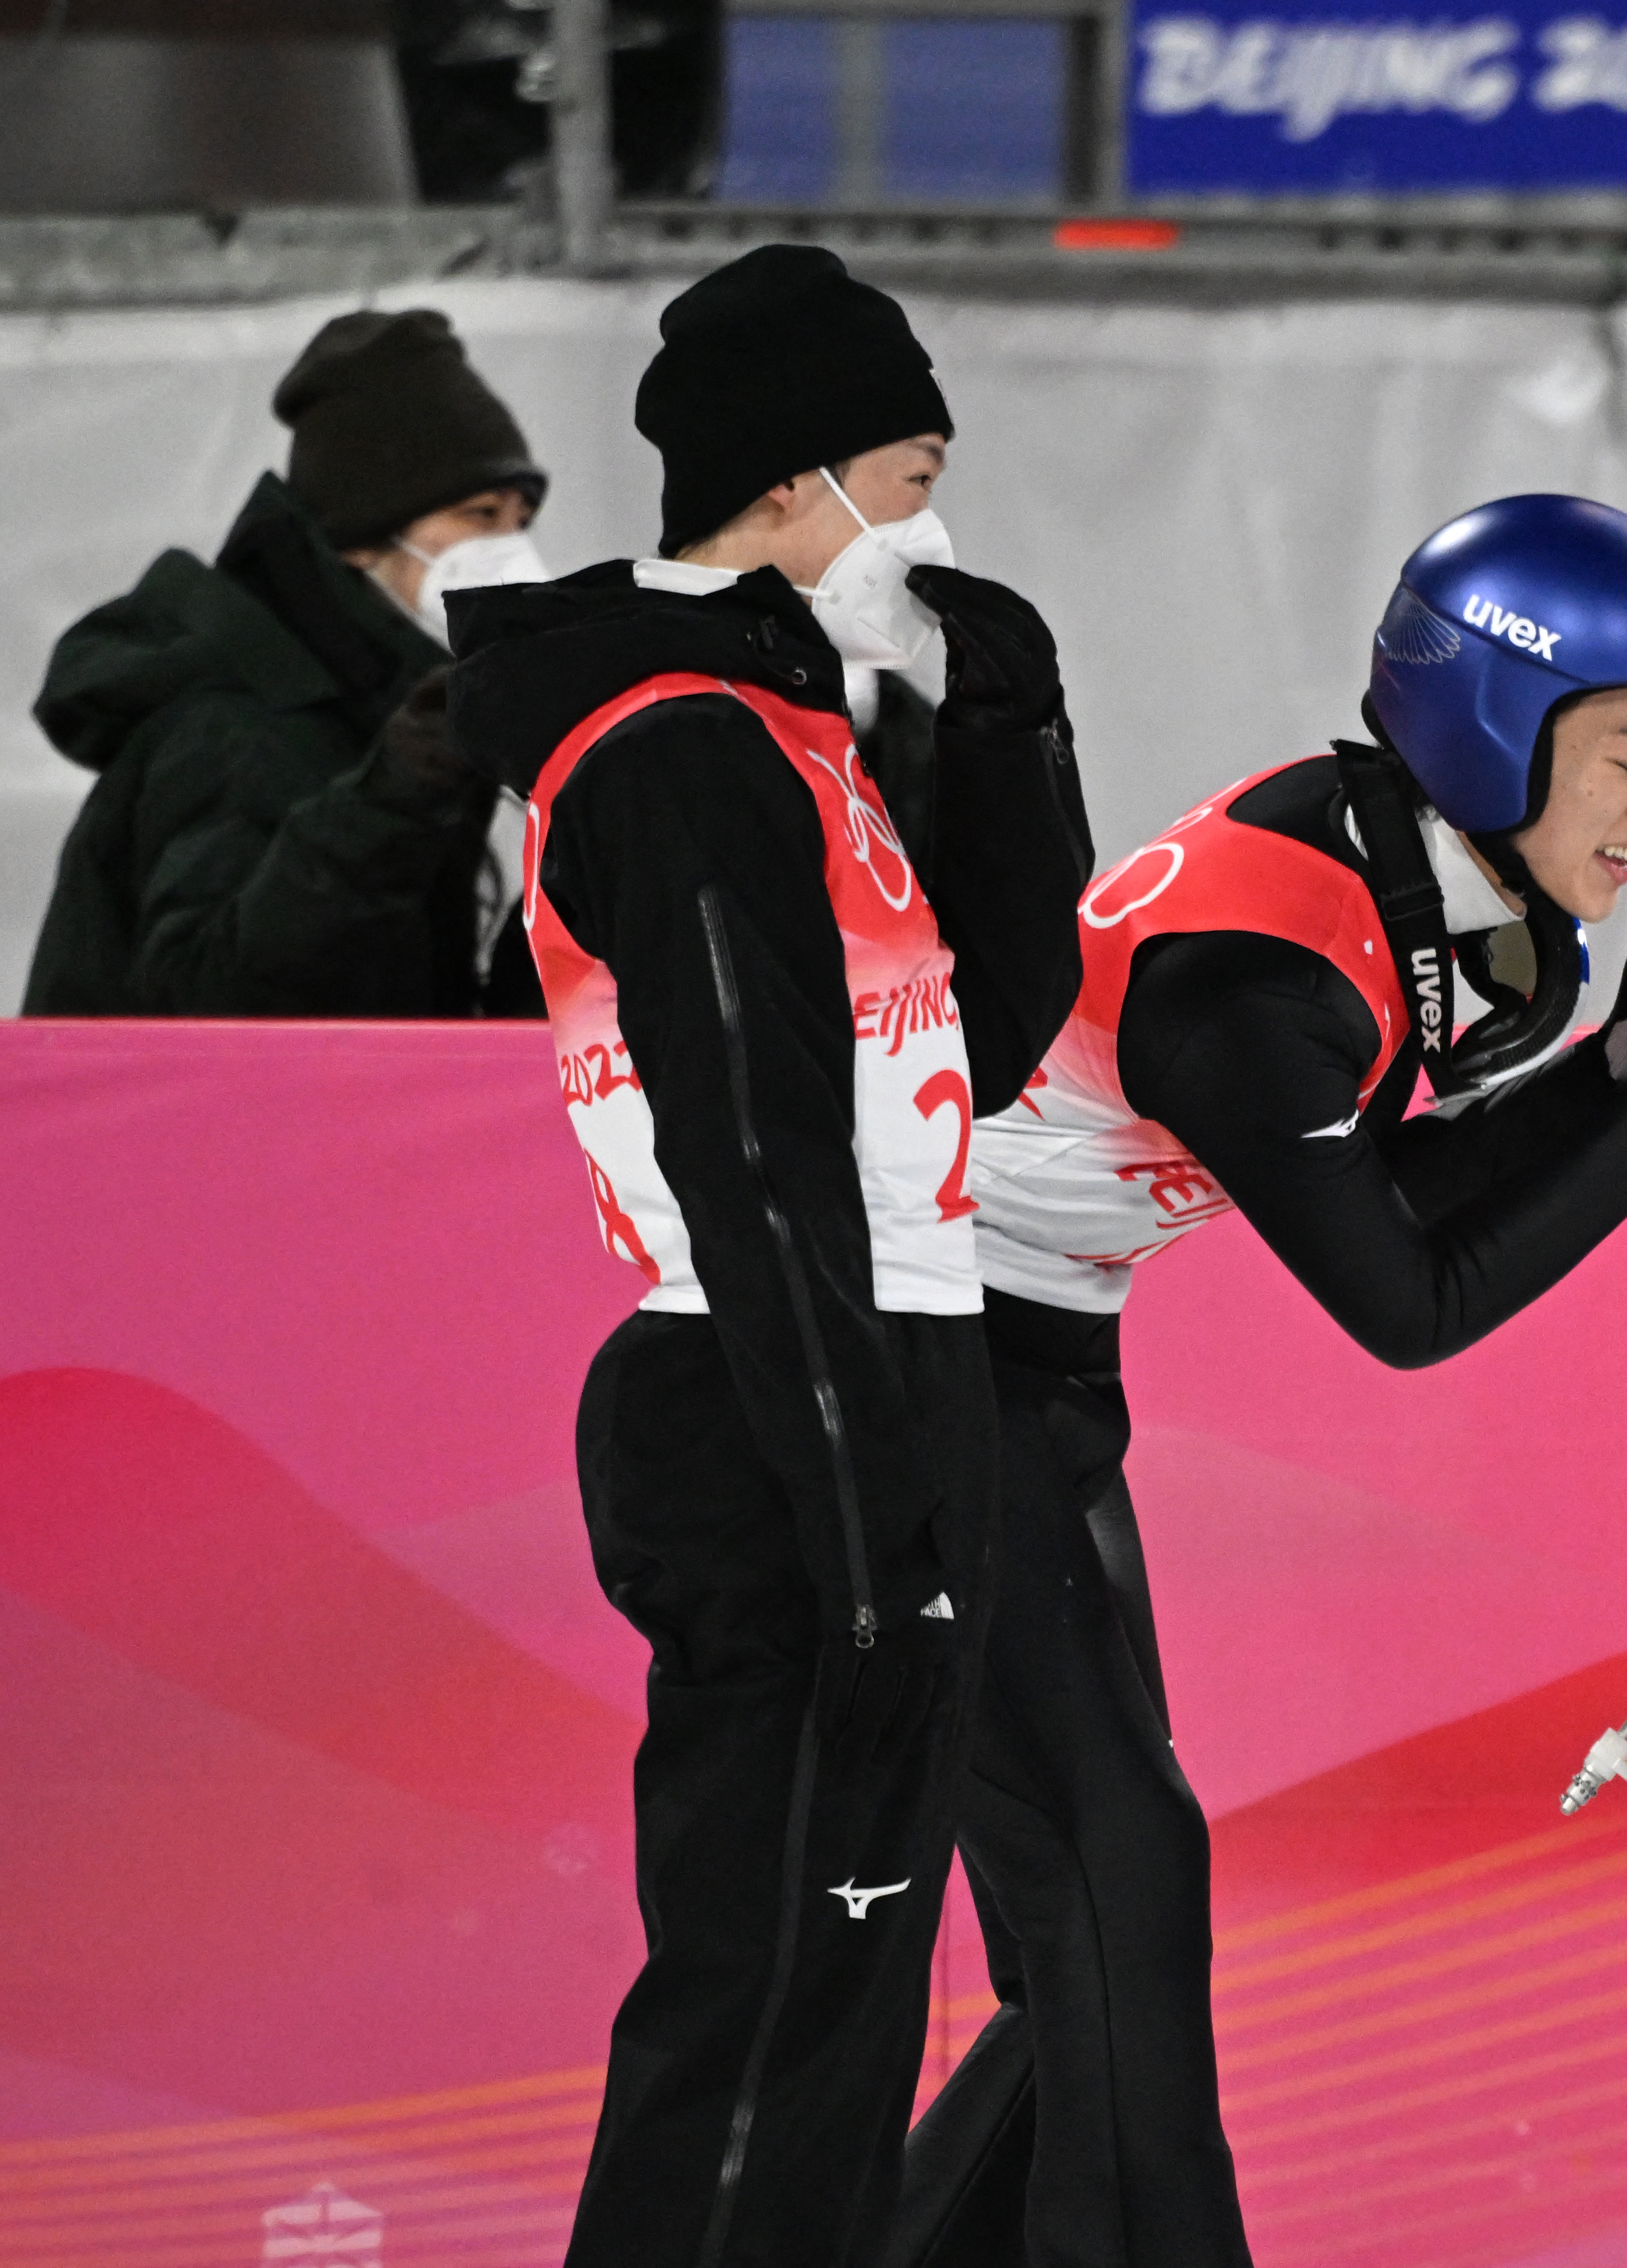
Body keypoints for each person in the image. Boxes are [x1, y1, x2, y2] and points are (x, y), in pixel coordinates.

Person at [885, 494, 1627, 2268]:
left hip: (1031, 1358)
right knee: (1115, 1870)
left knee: (1095, 1905)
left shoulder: (1431, 883)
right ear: (1491, 725)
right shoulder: (1259, 968)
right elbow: (1411, 1295)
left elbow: (1420, 1179)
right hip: (912, 1360)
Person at [443, 243, 1087, 2268]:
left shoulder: (792, 739)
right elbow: (755, 1153)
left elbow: (985, 1040)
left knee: (847, 2002)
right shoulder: (674, 749)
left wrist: (1010, 726)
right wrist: (860, 1521)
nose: (935, 524)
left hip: (880, 1366)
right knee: (765, 1997)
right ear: (796, 487)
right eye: (912, 478)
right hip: (775, 1387)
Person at [24, 307, 554, 1017]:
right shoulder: (237, 729)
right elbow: (207, 1016)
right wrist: (394, 801)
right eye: (480, 515)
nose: (512, 548)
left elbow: (404, 1016)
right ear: (360, 539)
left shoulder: (376, 716)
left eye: (521, 521)